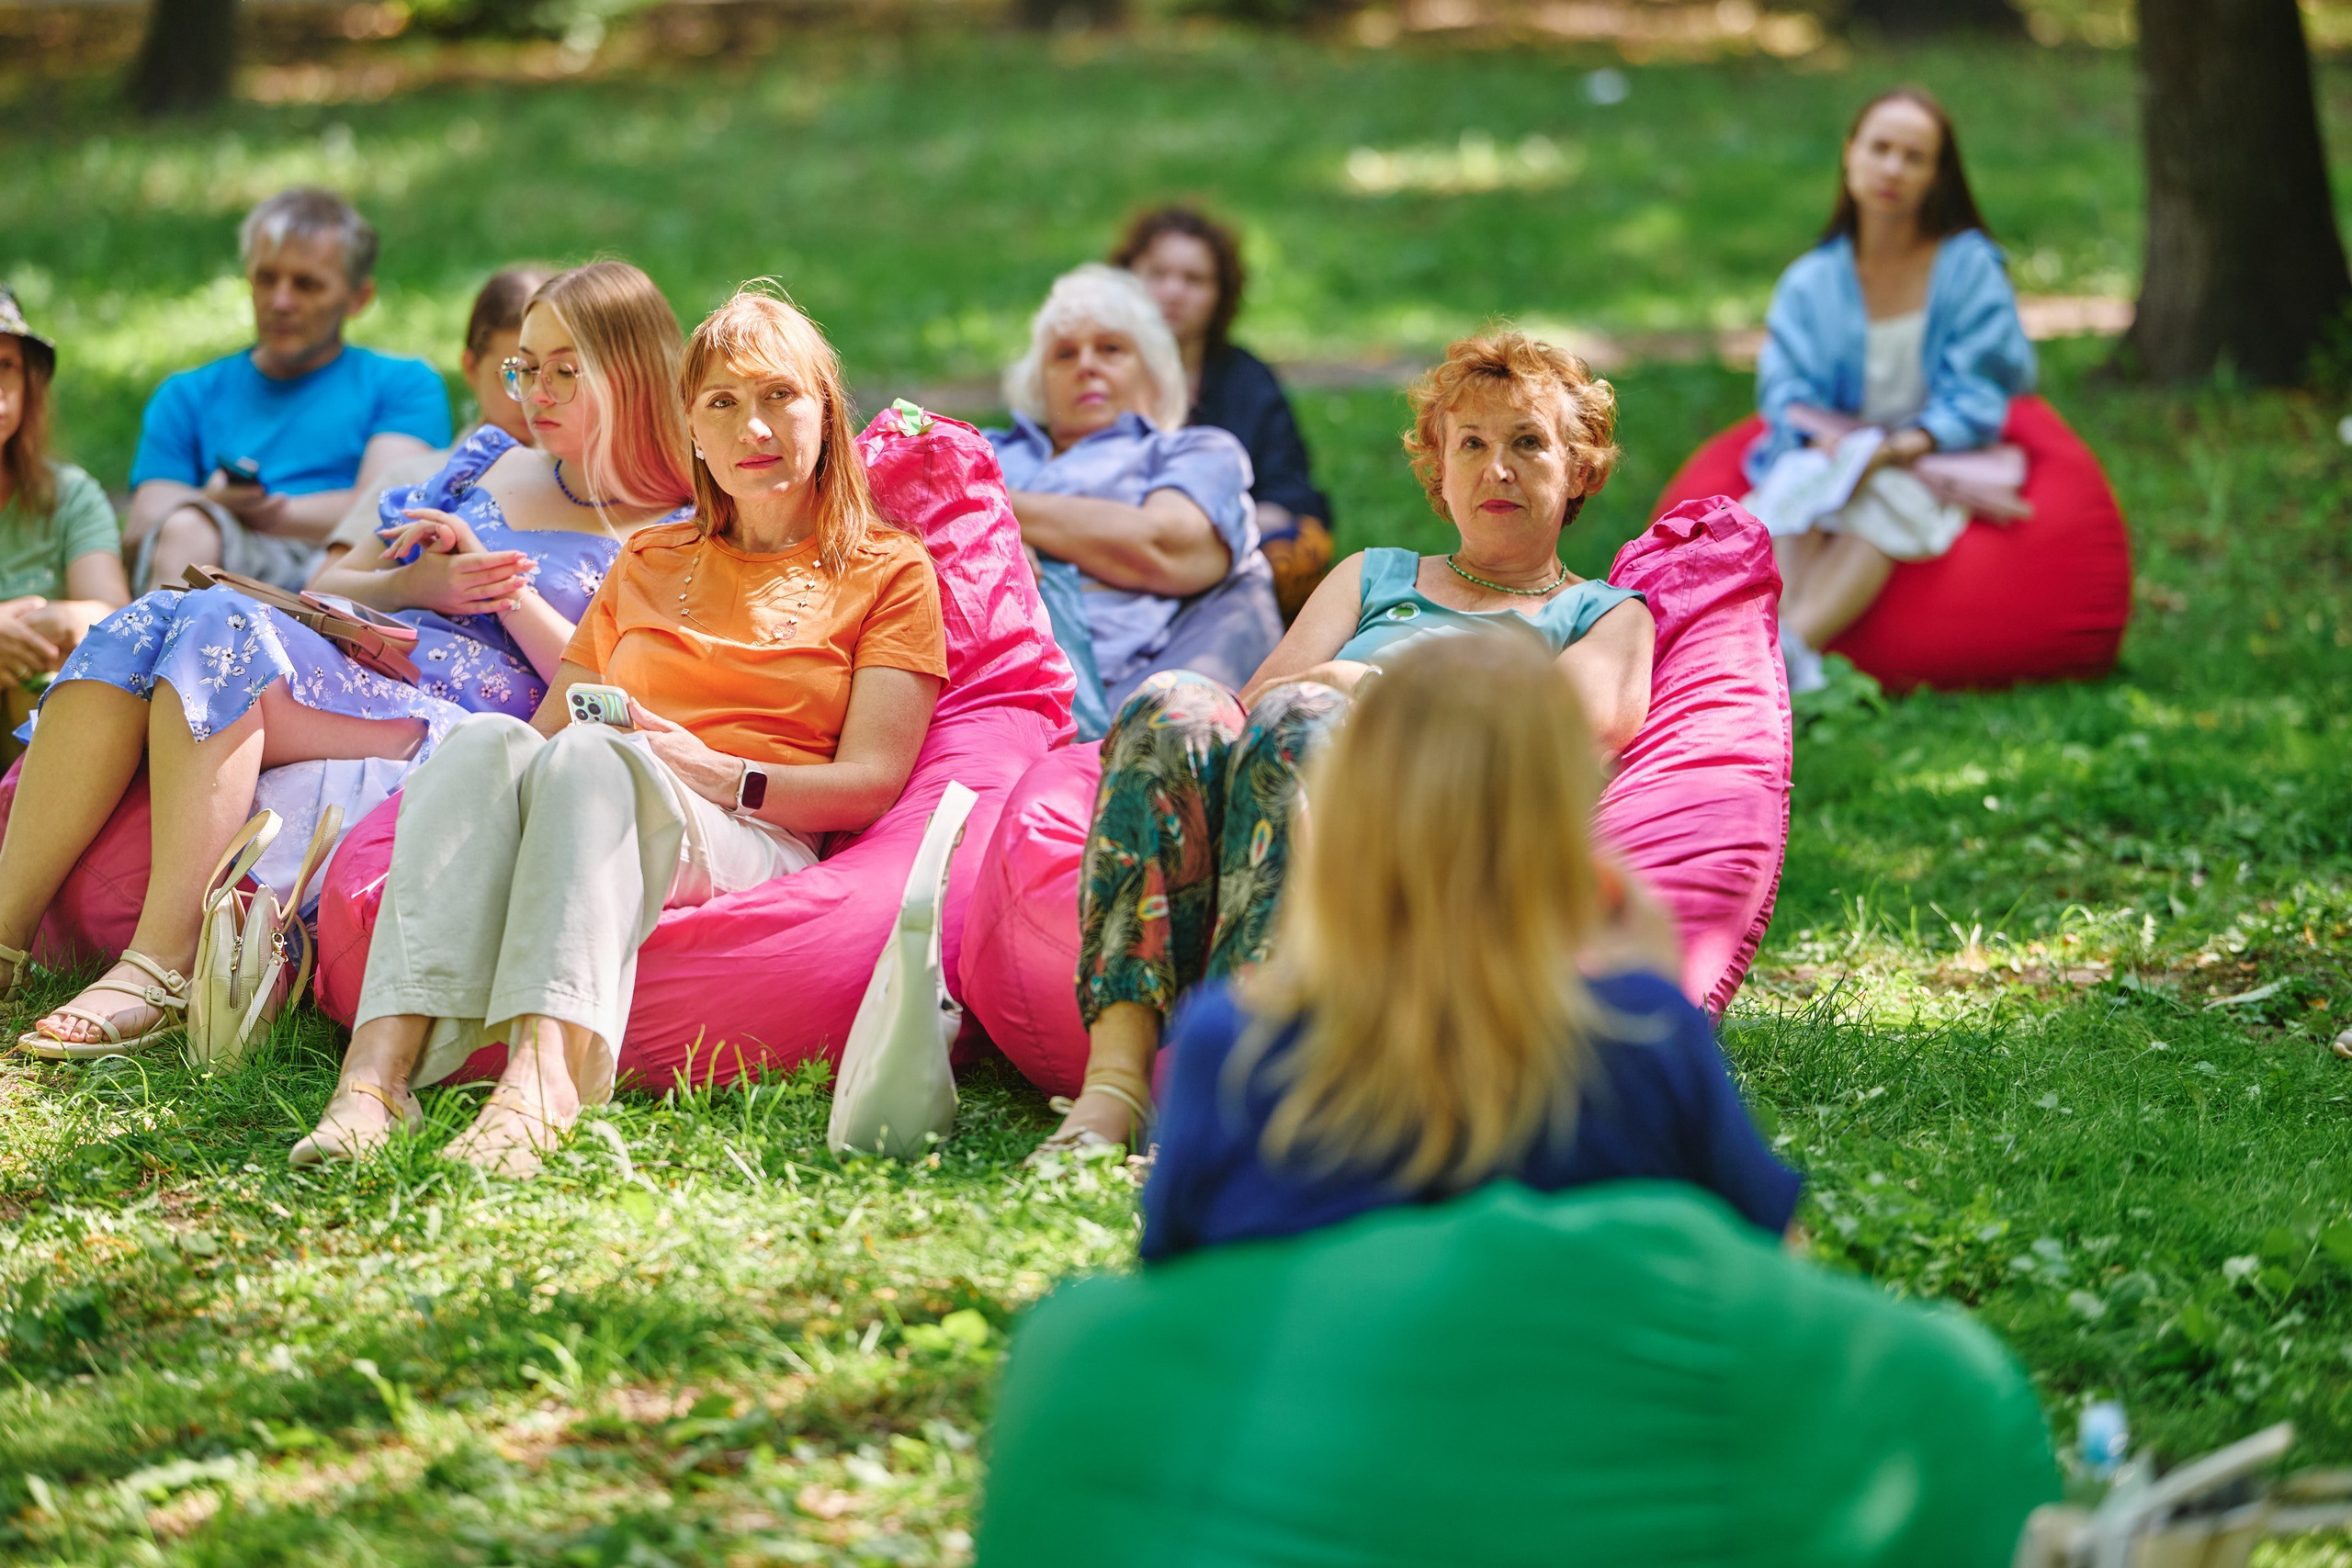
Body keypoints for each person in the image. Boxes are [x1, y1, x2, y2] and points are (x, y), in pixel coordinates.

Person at [289, 286, 949, 1179]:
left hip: (756, 827)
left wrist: (714, 770)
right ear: (692, 432)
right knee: (488, 744)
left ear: (825, 413)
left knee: (597, 763)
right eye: (722, 403)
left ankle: (543, 1085)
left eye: (778, 397)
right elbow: (550, 722)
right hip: (613, 790)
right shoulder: (650, 558)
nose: (752, 428)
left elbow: (871, 780)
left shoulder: (887, 571)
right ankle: (373, 1083)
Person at [2, 260, 695, 1055]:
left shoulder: (672, 527)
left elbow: (611, 687)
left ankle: (159, 967)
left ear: (631, 369)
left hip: (468, 729)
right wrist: (419, 582)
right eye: (525, 366)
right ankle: (4, 936)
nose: (534, 391)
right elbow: (336, 579)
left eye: (564, 372)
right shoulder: (488, 455)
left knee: (223, 633)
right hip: (366, 661)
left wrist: (504, 595)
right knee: (156, 614)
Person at [1035, 330, 1654, 1157]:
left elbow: (1555, 733)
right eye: (1469, 443)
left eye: (1527, 443)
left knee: (1303, 719)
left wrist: (1368, 693)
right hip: (1283, 783)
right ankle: (1112, 1089)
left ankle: (1241, 1092)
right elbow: (1251, 706)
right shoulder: (1373, 575)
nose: (1495, 469)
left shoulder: (1603, 614)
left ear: (1579, 469)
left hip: (1425, 821)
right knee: (1173, 699)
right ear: (1440, 466)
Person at [1142, 631, 1797, 1258]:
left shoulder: (1229, 1043)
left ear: (1338, 822)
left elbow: (1184, 1287)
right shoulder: (1640, 1036)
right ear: (1565, 841)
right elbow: (1766, 1270)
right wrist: (1658, 975)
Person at [1745, 88, 2034, 694]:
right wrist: (1818, 443)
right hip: (1833, 446)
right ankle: (1784, 664)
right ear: (1851, 155)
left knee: (1881, 497)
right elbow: (1785, 389)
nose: (1893, 170)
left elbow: (1982, 393)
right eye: (1880, 149)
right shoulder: (1811, 281)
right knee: (1800, 498)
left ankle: (1779, 662)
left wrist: (1899, 447)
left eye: (1914, 156)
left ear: (1937, 176)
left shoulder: (1969, 269)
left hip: (1927, 452)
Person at [990, 264, 1280, 738]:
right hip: (989, 697)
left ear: (1154, 374)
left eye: (1111, 349)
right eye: (1064, 355)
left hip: (1131, 702)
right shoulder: (987, 450)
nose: (1086, 365)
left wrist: (994, 517)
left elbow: (1164, 544)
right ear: (1041, 384)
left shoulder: (1194, 452)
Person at [122, 187, 452, 593]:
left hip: (340, 568)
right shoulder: (187, 394)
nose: (280, 301)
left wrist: (268, 512)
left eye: (306, 285)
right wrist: (214, 502)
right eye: (266, 279)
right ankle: (171, 656)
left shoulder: (405, 384)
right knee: (187, 529)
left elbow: (387, 511)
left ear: (358, 298)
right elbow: (144, 524)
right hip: (217, 555)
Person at [1113, 205, 1336, 620]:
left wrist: (1206, 545)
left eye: (1194, 279)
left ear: (1221, 295)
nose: (1173, 291)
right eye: (1157, 275)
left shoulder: (1248, 380)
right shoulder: (1088, 370)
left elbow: (1287, 494)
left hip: (1230, 558)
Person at [314, 265, 554, 577]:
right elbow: (323, 589)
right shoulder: (412, 478)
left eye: (557, 372)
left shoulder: (589, 487)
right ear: (470, 367)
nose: (534, 394)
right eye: (515, 373)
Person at [0, 285, 130, 707]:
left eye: (6, 365)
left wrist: (69, 620)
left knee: (47, 685)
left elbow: (120, 618)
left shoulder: (70, 496)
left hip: (33, 719)